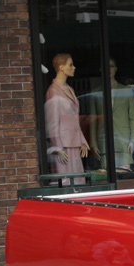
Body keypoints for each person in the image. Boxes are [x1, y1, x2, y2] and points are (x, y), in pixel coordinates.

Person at [45, 53, 89, 182]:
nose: (74, 67)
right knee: (66, 181)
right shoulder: (53, 91)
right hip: (63, 146)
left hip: (73, 143)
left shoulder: (70, 89)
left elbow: (74, 120)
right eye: (70, 64)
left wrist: (82, 141)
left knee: (78, 180)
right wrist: (57, 148)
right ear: (61, 67)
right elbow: (52, 122)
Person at [89, 58, 134, 170]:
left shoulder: (126, 91)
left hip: (123, 141)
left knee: (124, 175)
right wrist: (93, 143)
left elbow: (133, 117)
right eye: (106, 67)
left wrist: (132, 140)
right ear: (101, 70)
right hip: (104, 142)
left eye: (111, 66)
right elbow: (93, 120)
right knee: (106, 176)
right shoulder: (95, 93)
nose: (109, 69)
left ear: (115, 69)